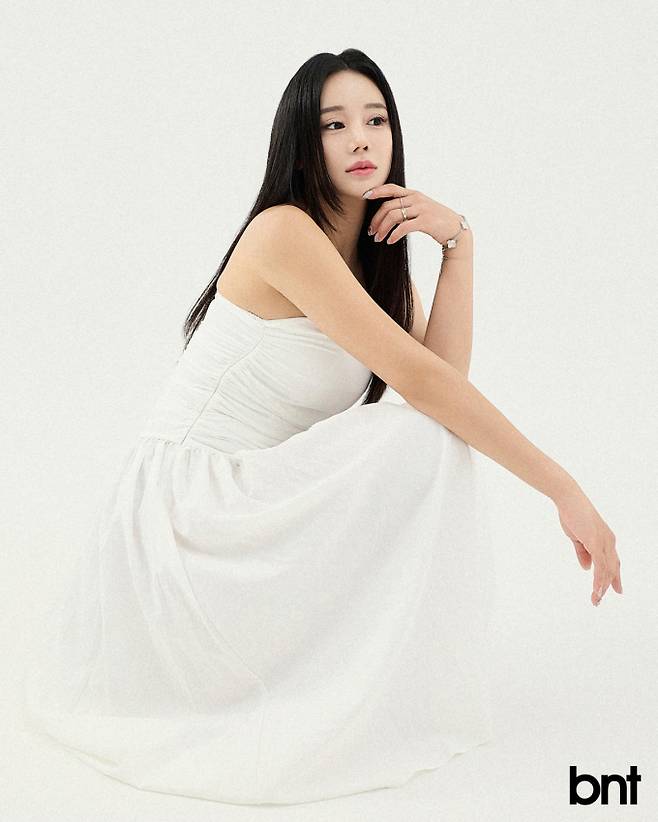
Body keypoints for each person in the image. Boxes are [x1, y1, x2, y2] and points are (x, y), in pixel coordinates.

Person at [23, 49, 622, 807]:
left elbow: (445, 388)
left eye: (376, 120)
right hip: (185, 514)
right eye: (334, 125)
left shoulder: (374, 269)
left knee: (427, 439)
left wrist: (458, 245)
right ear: (302, 144)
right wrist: (563, 488)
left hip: (253, 505)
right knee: (415, 436)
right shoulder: (283, 233)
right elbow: (428, 388)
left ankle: (355, 675)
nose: (360, 139)